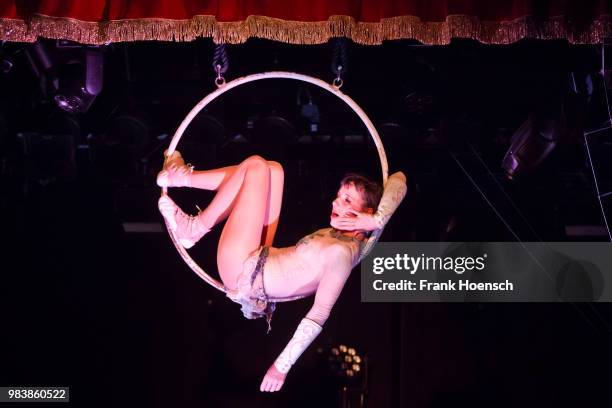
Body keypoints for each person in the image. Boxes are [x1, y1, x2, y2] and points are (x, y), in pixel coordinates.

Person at [157, 151, 406, 392]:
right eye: (339, 196)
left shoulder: (341, 253)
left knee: (255, 167)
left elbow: (319, 314)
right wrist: (377, 220)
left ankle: (194, 225)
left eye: (347, 200)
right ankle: (179, 177)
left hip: (241, 269)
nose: (335, 202)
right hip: (258, 255)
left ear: (367, 211)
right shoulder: (366, 231)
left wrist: (281, 367)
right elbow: (399, 179)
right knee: (273, 170)